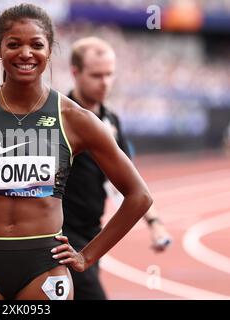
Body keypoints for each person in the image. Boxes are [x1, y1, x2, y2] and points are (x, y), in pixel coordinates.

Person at [0, 3, 152, 300]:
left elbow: (139, 196)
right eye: (13, 44)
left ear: (49, 51)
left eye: (36, 44)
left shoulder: (75, 119)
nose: (25, 53)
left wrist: (88, 256)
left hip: (43, 268)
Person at [62, 37, 172, 300]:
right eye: (97, 75)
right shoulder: (61, 117)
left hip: (93, 234)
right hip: (62, 235)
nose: (105, 82)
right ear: (75, 72)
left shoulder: (111, 120)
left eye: (110, 74)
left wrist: (155, 223)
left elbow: (130, 180)